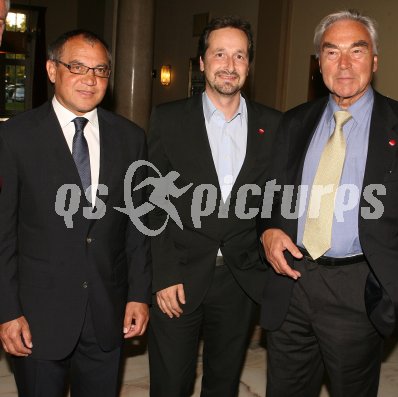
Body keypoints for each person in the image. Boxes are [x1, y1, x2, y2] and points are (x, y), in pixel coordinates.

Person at [258, 9, 398, 397]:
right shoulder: (293, 122)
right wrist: (269, 230)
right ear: (318, 62)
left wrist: (390, 286)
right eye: (331, 51)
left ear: (374, 61)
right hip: (292, 281)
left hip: (359, 287)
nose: (343, 64)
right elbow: (272, 193)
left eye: (356, 51)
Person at [0, 29, 151, 397]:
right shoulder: (15, 137)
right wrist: (7, 310)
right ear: (52, 70)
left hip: (106, 313)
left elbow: (136, 225)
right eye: (78, 67)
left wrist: (138, 295)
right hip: (37, 318)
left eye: (100, 70)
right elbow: (3, 233)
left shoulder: (130, 138)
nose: (90, 79)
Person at [147, 15, 281, 397]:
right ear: (203, 62)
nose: (230, 64)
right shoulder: (169, 119)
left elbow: (274, 200)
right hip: (179, 275)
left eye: (239, 56)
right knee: (171, 384)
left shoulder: (272, 125)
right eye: (220, 53)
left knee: (223, 384)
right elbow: (151, 205)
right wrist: (163, 274)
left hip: (240, 279)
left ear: (248, 66)